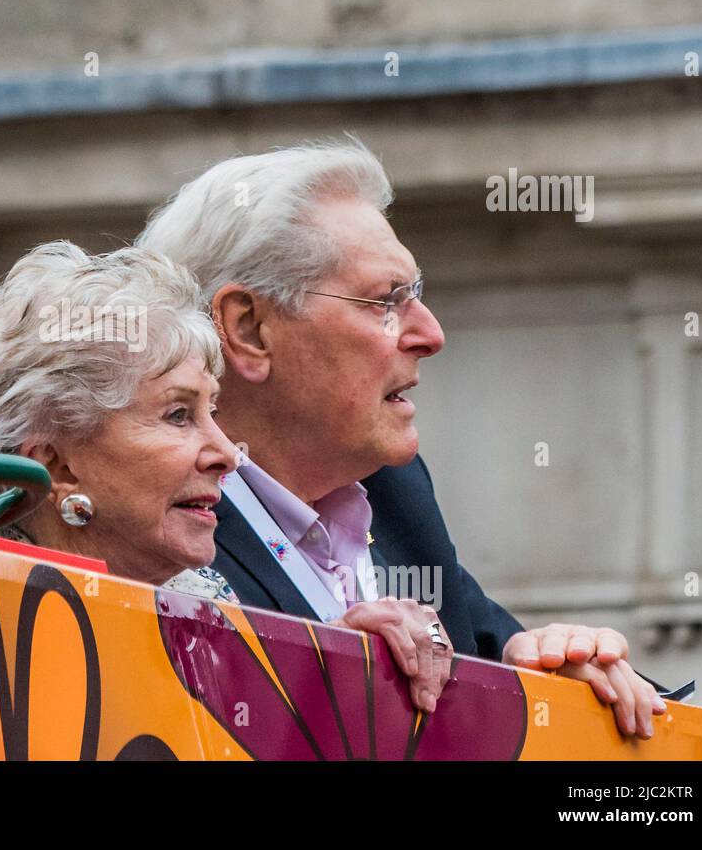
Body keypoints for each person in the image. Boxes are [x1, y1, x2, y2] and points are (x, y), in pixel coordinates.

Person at [138, 139, 666, 737]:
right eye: (387, 301)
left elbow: (503, 675)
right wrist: (327, 682)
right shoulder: (147, 519)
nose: (430, 333)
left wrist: (556, 675)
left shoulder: (394, 494)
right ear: (249, 329)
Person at [0, 241, 241, 600]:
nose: (228, 454)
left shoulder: (223, 619)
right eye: (178, 415)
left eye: (212, 412)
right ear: (56, 467)